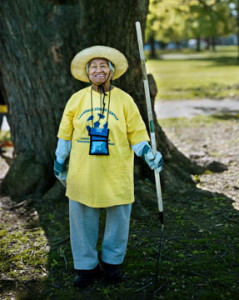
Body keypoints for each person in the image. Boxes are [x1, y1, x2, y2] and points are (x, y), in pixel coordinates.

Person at [54, 45, 163, 288]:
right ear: (87, 72)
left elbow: (137, 136)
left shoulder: (125, 100)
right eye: (93, 66)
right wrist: (59, 159)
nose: (98, 70)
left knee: (118, 220)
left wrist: (149, 153)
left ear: (111, 71)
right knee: (82, 220)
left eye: (103, 65)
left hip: (116, 173)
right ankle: (85, 268)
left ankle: (113, 265)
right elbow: (65, 135)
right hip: (83, 173)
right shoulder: (77, 99)